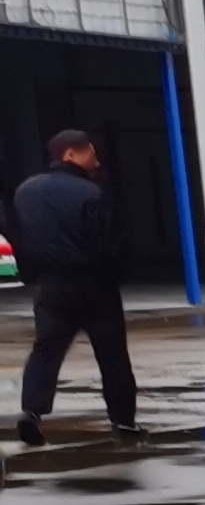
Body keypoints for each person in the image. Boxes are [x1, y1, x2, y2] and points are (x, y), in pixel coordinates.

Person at [9, 126, 141, 444]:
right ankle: (123, 422)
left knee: (45, 351)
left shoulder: (25, 192)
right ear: (70, 154)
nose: (96, 161)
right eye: (90, 153)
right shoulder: (92, 194)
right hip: (95, 287)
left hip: (51, 287)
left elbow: (18, 237)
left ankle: (32, 412)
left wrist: (33, 274)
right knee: (112, 356)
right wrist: (118, 273)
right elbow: (111, 244)